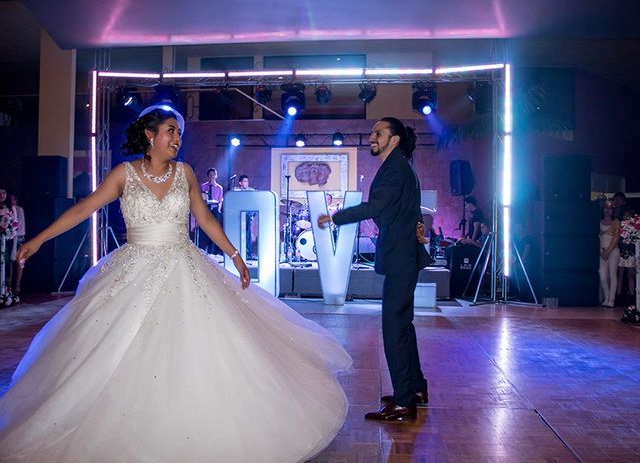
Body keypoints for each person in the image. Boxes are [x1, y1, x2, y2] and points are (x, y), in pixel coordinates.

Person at [0, 107, 351, 462]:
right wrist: (39, 239)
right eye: (171, 131)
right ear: (150, 136)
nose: (177, 139)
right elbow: (83, 209)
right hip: (133, 268)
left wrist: (235, 255)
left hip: (185, 266)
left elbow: (205, 218)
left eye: (180, 133)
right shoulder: (124, 175)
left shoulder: (185, 174)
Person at [318, 117, 430, 422]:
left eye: (377, 133)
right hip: (404, 254)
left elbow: (374, 207)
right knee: (403, 325)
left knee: (394, 328)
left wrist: (334, 217)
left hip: (400, 256)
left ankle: (405, 402)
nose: (371, 137)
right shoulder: (400, 166)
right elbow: (406, 207)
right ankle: (415, 389)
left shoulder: (395, 168)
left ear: (393, 139)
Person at [599, 201, 620, 307]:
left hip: (613, 251)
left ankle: (612, 300)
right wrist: (601, 252)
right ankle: (607, 297)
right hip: (601, 252)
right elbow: (596, 239)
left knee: (612, 275)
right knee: (602, 275)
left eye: (610, 208)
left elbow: (616, 239)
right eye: (605, 208)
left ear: (613, 211)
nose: (607, 210)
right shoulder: (598, 222)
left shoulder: (616, 222)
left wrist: (608, 251)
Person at [199, 167, 224, 255]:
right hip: (206, 209)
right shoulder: (203, 186)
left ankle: (213, 250)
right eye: (210, 175)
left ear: (216, 176)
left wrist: (219, 209)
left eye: (213, 175)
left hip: (214, 209)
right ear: (208, 176)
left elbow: (220, 201)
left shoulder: (219, 188)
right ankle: (202, 249)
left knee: (217, 221)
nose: (212, 176)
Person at [233, 174, 256, 259]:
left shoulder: (251, 191)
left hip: (247, 215)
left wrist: (252, 215)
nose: (247, 183)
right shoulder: (236, 191)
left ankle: (248, 253)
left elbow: (255, 204)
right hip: (237, 215)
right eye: (245, 181)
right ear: (240, 183)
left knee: (247, 234)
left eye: (247, 181)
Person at [8, 194, 26, 295]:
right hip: (9, 238)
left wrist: (18, 237)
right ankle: (9, 284)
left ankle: (18, 285)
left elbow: (21, 225)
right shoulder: (6, 209)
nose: (13, 202)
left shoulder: (19, 210)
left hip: (19, 237)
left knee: (20, 261)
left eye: (14, 199)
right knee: (10, 262)